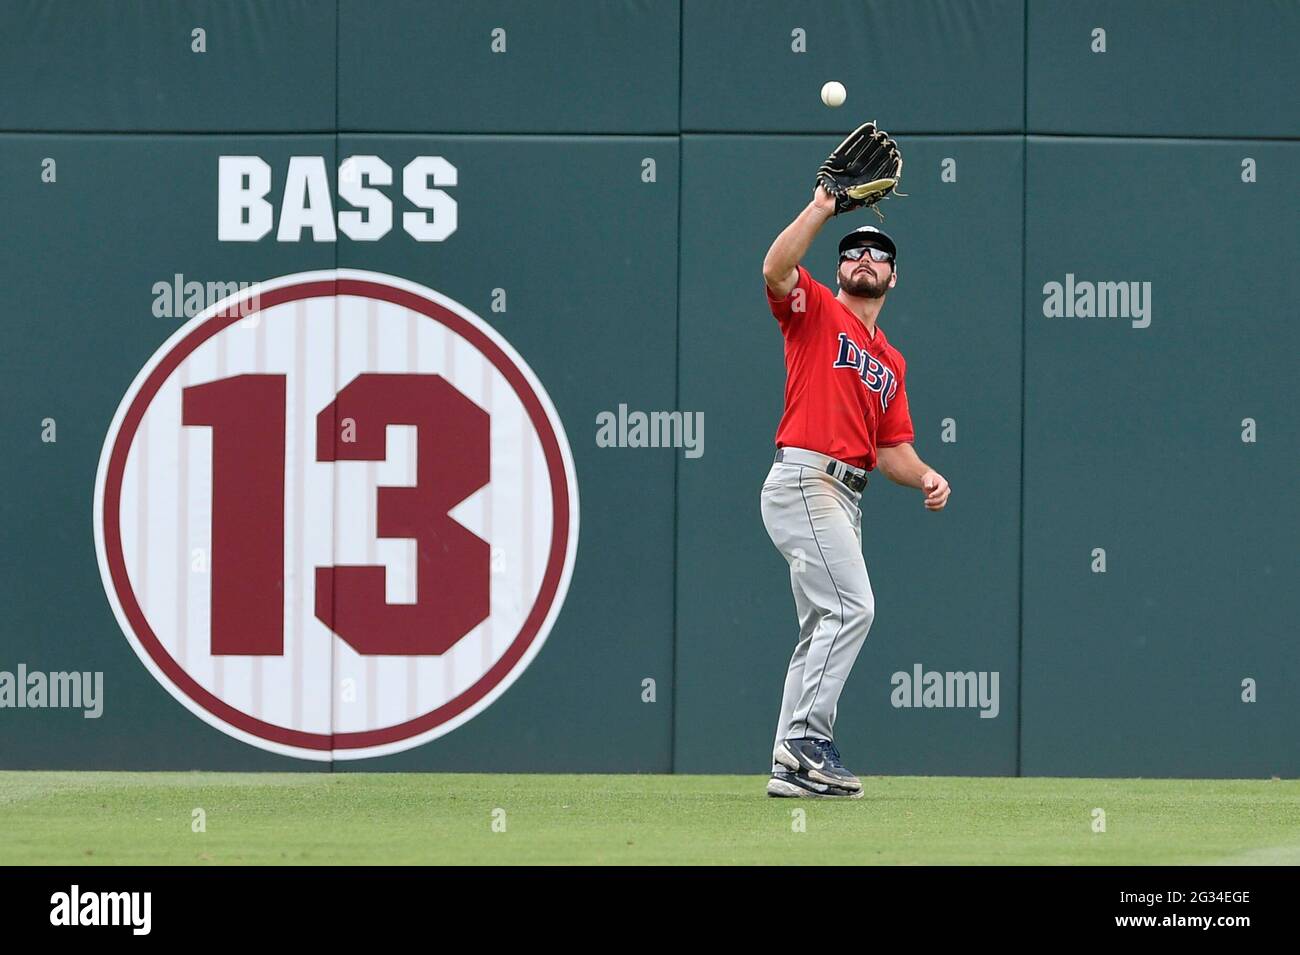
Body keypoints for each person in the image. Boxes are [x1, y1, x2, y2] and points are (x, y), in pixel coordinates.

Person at [759, 183, 951, 799]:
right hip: (806, 479)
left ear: (893, 278)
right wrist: (822, 206)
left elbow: (891, 447)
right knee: (852, 608)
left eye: (878, 253)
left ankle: (791, 768)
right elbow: (776, 267)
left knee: (822, 623)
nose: (864, 257)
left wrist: (923, 473)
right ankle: (808, 740)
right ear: (839, 270)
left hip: (846, 493)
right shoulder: (815, 308)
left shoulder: (889, 360)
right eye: (852, 251)